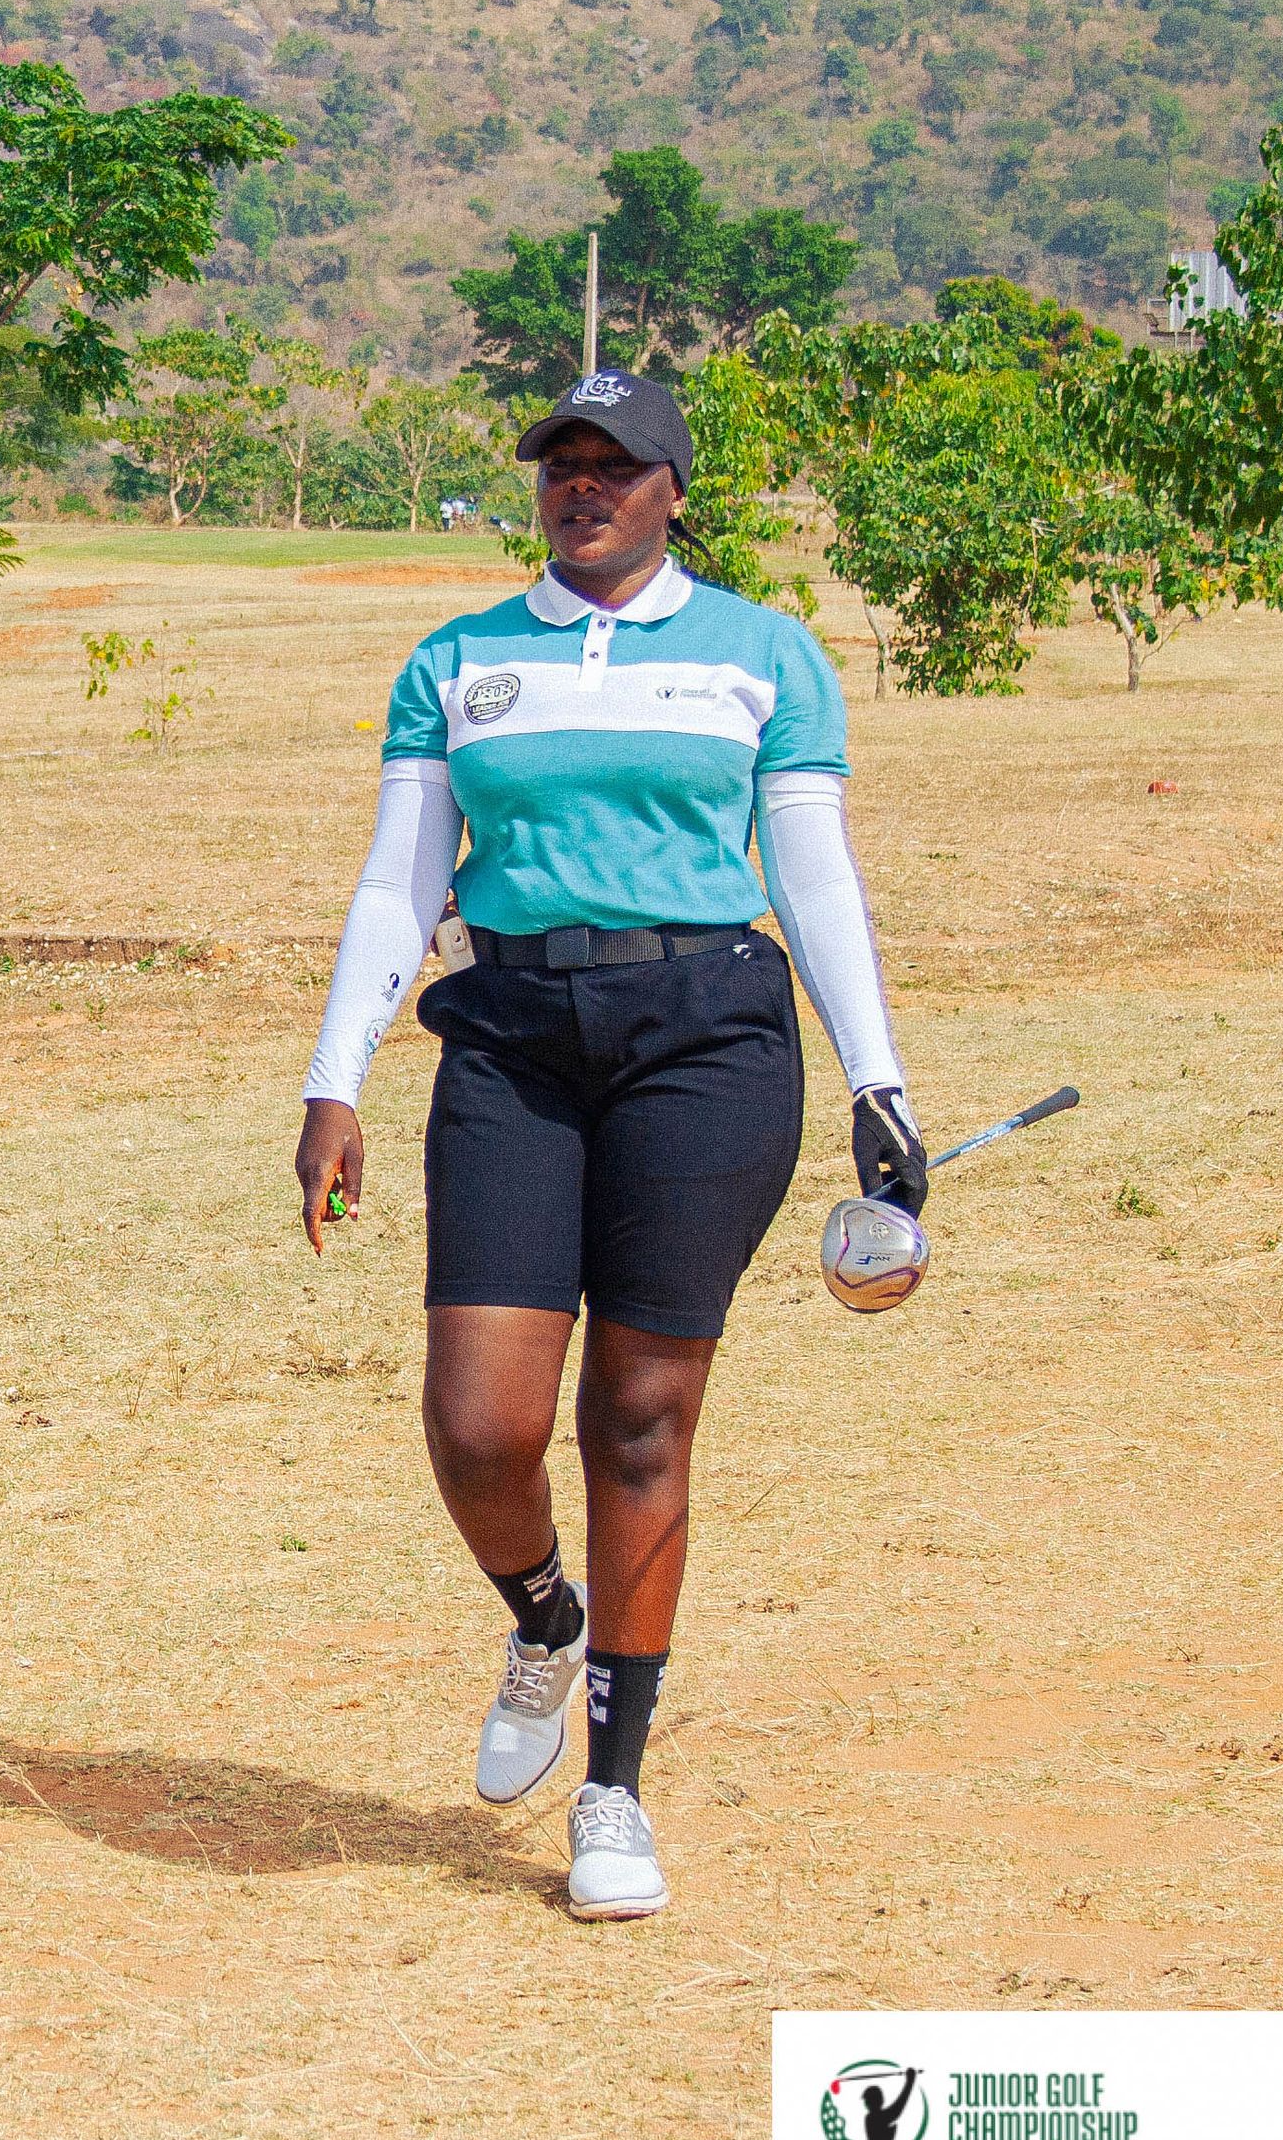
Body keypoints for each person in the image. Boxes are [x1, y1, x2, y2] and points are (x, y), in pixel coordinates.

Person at [292, 372, 925, 1921]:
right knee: (480, 1424)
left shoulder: (763, 657)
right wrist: (336, 1075)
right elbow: (401, 879)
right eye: (559, 464)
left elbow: (815, 874)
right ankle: (542, 1613)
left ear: (672, 489)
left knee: (641, 1413)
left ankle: (615, 1791)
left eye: (613, 466)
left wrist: (880, 1078)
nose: (580, 488)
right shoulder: (458, 663)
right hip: (511, 1034)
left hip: (706, 1036)